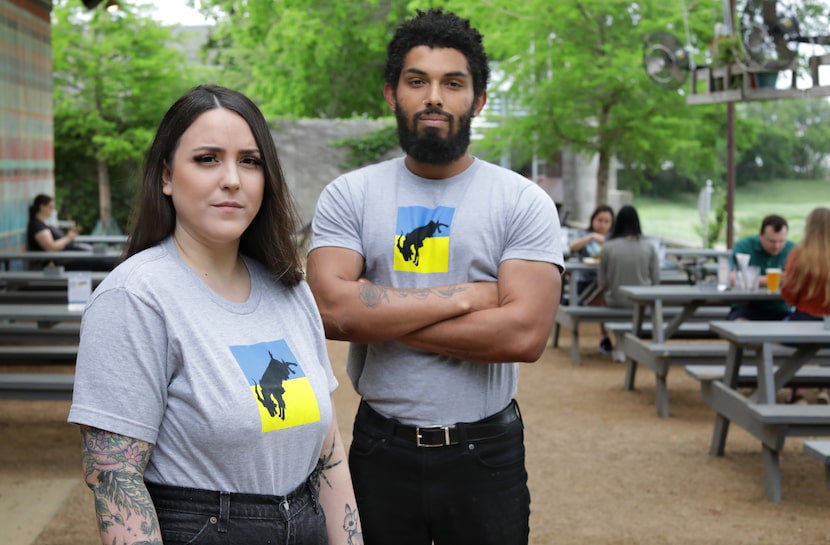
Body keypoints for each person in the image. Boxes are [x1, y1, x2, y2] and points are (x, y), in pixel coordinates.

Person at [306, 9, 563, 545]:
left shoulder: (521, 202)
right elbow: (331, 310)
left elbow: (524, 335)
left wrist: (376, 315)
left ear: (479, 100)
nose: (434, 98)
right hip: (380, 448)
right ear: (391, 94)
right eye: (417, 81)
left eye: (453, 83)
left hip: (486, 454)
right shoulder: (350, 195)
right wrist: (471, 296)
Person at [67, 85, 361, 545]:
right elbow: (114, 480)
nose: (232, 179)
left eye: (250, 161)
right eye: (207, 159)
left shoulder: (290, 288)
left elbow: (329, 450)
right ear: (166, 176)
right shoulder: (134, 298)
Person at [780, 206, 830, 404]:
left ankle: (797, 391)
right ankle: (826, 388)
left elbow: (788, 295)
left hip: (802, 324)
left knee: (780, 336)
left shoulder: (799, 255)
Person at [595, 204, 660, 353]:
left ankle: (607, 338)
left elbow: (602, 282)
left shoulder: (608, 247)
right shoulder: (649, 247)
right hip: (642, 303)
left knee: (600, 297)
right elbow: (656, 280)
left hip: (615, 301)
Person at [727, 214, 794, 321]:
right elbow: (732, 278)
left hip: (780, 308)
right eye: (771, 241)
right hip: (747, 307)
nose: (776, 246)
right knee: (739, 323)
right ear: (760, 236)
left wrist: (752, 279)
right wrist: (772, 279)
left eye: (781, 241)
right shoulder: (744, 246)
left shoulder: (792, 249)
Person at [26, 194, 114, 271]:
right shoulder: (37, 225)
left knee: (105, 258)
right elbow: (51, 248)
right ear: (42, 206)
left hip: (71, 255)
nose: (52, 209)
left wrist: (70, 237)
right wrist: (68, 238)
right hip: (63, 261)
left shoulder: (44, 223)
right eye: (50, 206)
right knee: (104, 262)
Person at [568, 204, 614, 297]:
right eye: (599, 220)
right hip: (585, 279)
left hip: (607, 280)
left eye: (607, 221)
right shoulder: (583, 234)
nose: (602, 225)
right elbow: (572, 247)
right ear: (593, 219)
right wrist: (591, 237)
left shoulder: (613, 238)